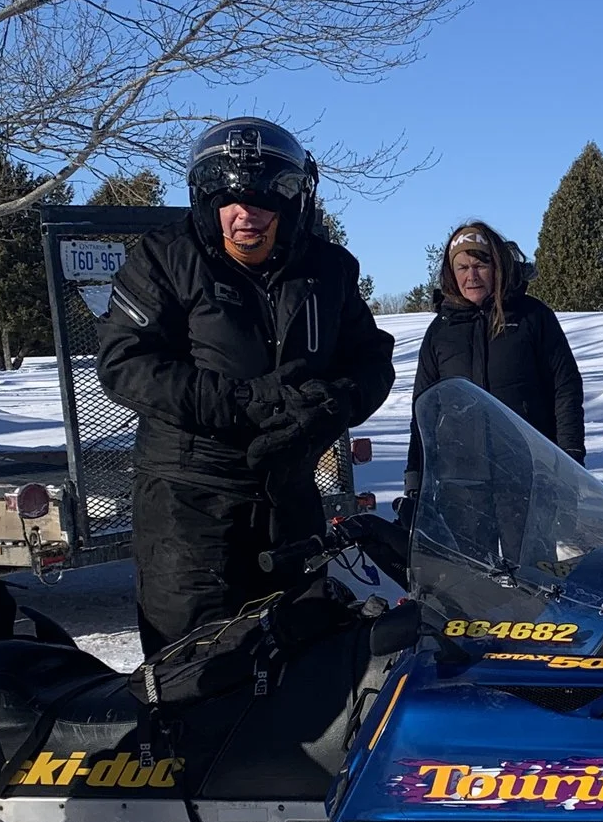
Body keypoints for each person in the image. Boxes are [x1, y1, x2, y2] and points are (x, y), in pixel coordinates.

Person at [96, 117, 395, 654]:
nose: (245, 218)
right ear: (207, 202)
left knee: (307, 656)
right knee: (196, 663)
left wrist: (335, 404)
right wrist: (238, 402)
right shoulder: (164, 258)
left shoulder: (329, 268)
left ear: (291, 204)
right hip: (189, 502)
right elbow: (126, 363)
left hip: (291, 493)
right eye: (229, 202)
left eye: (262, 203)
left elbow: (372, 359)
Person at [404, 221, 585, 503]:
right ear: (451, 273)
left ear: (498, 267)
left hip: (529, 474)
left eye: (480, 266)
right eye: (462, 268)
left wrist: (571, 459)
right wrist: (415, 476)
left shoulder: (532, 317)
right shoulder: (440, 331)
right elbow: (423, 410)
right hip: (461, 479)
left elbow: (566, 390)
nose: (471, 276)